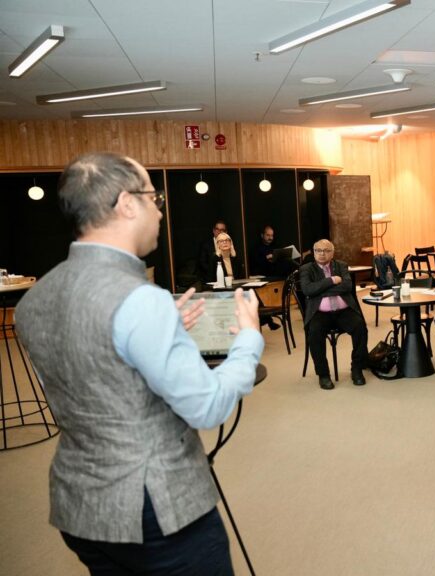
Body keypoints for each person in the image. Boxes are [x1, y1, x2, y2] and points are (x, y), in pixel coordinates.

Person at [15, 152, 263, 574]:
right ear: (127, 203)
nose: (160, 211)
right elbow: (207, 407)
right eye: (154, 197)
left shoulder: (33, 299)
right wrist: (249, 342)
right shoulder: (141, 300)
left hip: (82, 506)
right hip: (157, 511)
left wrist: (164, 332)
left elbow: (95, 374)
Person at [299, 239, 369, 390]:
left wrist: (320, 290)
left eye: (326, 251)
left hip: (343, 311)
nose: (322, 254)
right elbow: (308, 290)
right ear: (314, 252)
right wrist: (331, 280)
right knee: (314, 333)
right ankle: (323, 375)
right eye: (318, 250)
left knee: (360, 327)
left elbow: (347, 286)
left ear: (333, 253)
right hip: (319, 313)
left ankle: (356, 368)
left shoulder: (341, 265)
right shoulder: (306, 269)